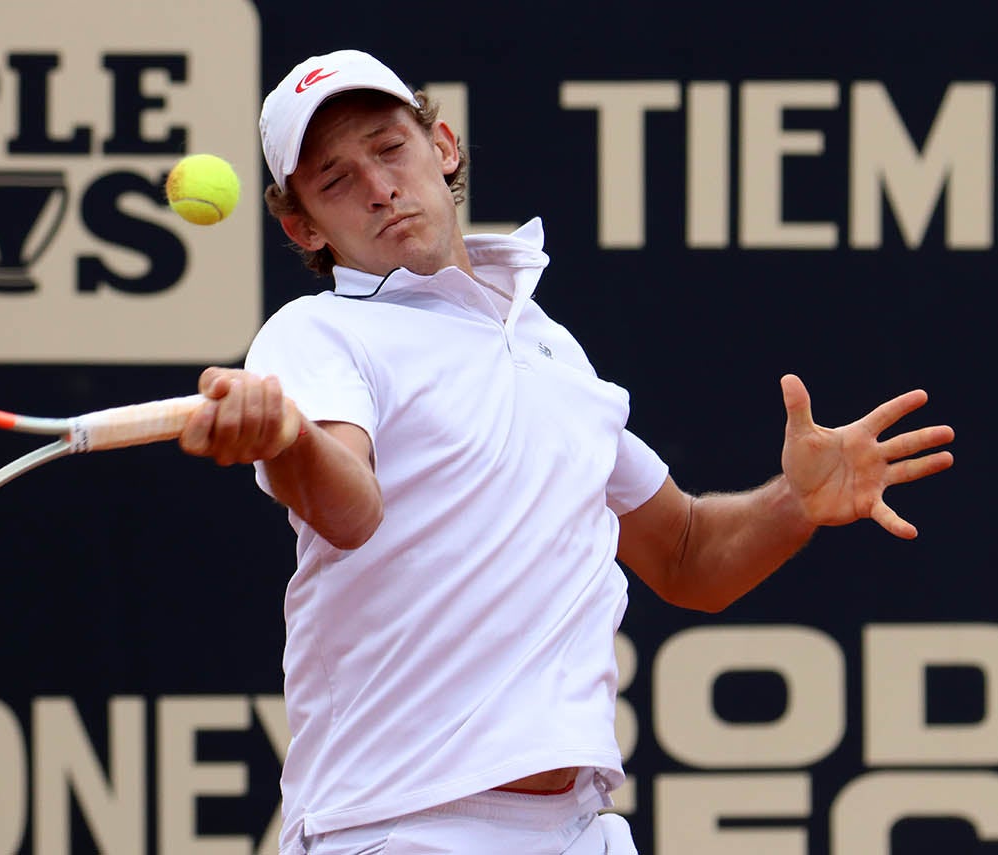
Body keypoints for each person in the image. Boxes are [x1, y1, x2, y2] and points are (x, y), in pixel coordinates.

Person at [178, 49, 954, 855]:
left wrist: (796, 504)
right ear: (301, 225)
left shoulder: (547, 347)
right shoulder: (315, 333)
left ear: (440, 146)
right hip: (397, 825)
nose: (378, 187)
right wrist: (290, 439)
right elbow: (350, 507)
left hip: (573, 830)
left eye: (388, 147)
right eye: (334, 180)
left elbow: (687, 555)